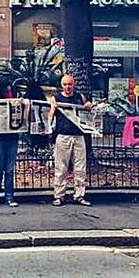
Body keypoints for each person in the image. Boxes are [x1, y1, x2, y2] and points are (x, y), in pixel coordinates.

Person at [48, 74, 93, 207]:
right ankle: (59, 195)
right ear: (62, 85)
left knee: (80, 168)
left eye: (70, 84)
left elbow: (88, 107)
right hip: (62, 136)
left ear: (74, 85)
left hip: (78, 135)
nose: (68, 87)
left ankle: (79, 195)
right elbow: (51, 113)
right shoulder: (56, 98)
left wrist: (89, 104)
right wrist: (48, 127)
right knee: (61, 167)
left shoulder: (79, 97)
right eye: (65, 84)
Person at [0, 78, 19, 207]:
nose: (9, 94)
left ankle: (9, 197)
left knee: (10, 170)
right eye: (7, 91)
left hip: (12, 138)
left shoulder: (15, 103)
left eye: (10, 91)